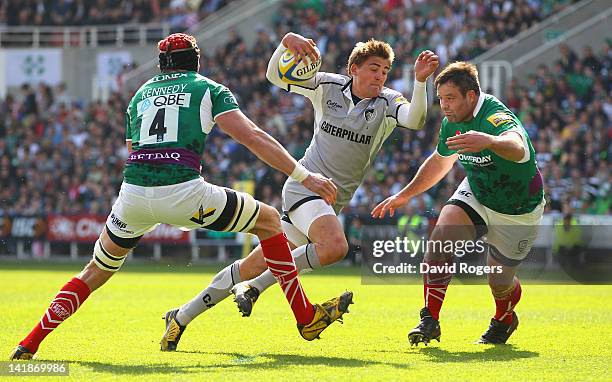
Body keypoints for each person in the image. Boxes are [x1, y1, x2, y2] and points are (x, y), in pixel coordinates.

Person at [10, 33, 348, 360]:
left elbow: (134, 151)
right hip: (184, 191)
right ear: (196, 61)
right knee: (270, 221)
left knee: (96, 270)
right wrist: (304, 176)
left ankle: (30, 343)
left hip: (133, 196)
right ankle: (305, 317)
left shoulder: (139, 96)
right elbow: (253, 137)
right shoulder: (207, 88)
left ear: (162, 64)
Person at [162, 31, 438, 349]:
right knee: (335, 246)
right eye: (374, 68)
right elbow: (273, 75)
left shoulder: (388, 102)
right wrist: (286, 42)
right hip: (304, 187)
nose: (380, 76)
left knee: (254, 265)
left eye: (386, 71)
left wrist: (419, 82)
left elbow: (415, 120)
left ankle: (181, 315)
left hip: (329, 202)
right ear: (354, 69)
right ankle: (259, 290)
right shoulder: (328, 85)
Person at [371, 61, 545, 345]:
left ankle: (504, 317)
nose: (444, 106)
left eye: (450, 98)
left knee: (499, 283)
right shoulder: (450, 123)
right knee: (441, 240)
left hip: (518, 208)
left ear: (471, 97)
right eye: (441, 99)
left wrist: (488, 141)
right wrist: (406, 194)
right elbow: (440, 162)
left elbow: (519, 148)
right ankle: (430, 319)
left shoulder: (494, 117)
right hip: (477, 192)